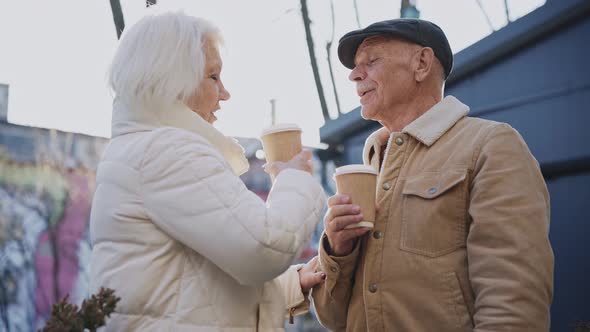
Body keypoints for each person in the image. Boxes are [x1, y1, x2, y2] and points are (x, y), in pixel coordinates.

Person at [311, 18, 554, 331]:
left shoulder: (489, 145)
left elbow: (514, 301)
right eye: (357, 66)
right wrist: (338, 250)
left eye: (371, 61)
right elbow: (334, 318)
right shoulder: (370, 167)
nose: (355, 74)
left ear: (422, 63)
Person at [89, 10, 326, 331]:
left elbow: (187, 287)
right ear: (172, 82)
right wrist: (293, 179)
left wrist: (291, 284)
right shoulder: (169, 151)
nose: (225, 93)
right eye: (213, 77)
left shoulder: (142, 150)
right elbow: (263, 248)